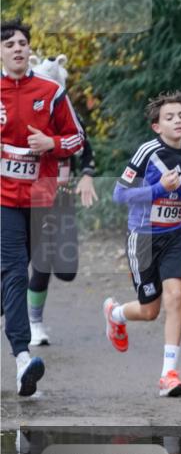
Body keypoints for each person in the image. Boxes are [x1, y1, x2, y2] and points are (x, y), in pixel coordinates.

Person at [1, 19, 85, 396]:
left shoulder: (50, 91)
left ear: (29, 50)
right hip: (3, 200)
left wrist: (51, 143)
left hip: (42, 197)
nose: (17, 48)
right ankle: (23, 358)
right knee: (15, 272)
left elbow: (78, 139)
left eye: (22, 43)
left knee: (35, 267)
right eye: (9, 44)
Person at [102, 91, 181, 397]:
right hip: (143, 237)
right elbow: (120, 194)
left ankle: (169, 373)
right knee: (149, 311)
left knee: (176, 297)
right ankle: (115, 315)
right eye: (169, 118)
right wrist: (158, 188)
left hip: (174, 237)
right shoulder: (147, 152)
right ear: (157, 126)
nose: (177, 121)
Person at [26, 54, 99, 346]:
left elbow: (86, 150)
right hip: (31, 195)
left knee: (66, 271)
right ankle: (34, 323)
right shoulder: (26, 115)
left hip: (63, 196)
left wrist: (87, 175)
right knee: (37, 263)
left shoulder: (70, 115)